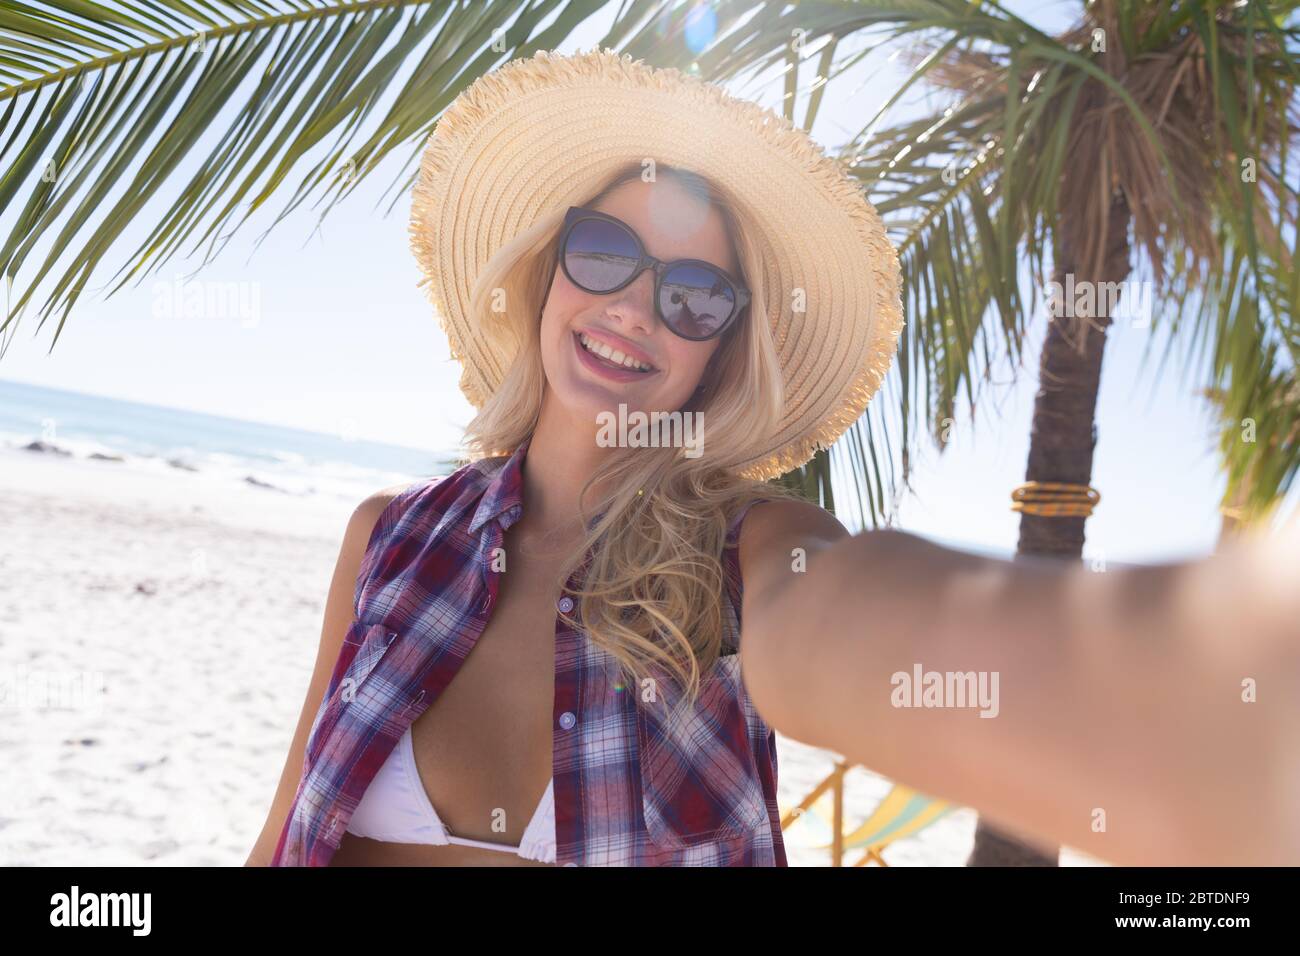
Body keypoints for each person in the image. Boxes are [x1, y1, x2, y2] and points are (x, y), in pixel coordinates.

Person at [246, 48, 1299, 868]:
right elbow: (285, 826)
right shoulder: (387, 536)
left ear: (722, 349)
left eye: (693, 294)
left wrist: (1210, 677)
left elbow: (862, 626)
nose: (632, 308)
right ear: (546, 269)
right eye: (605, 251)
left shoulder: (752, 557)